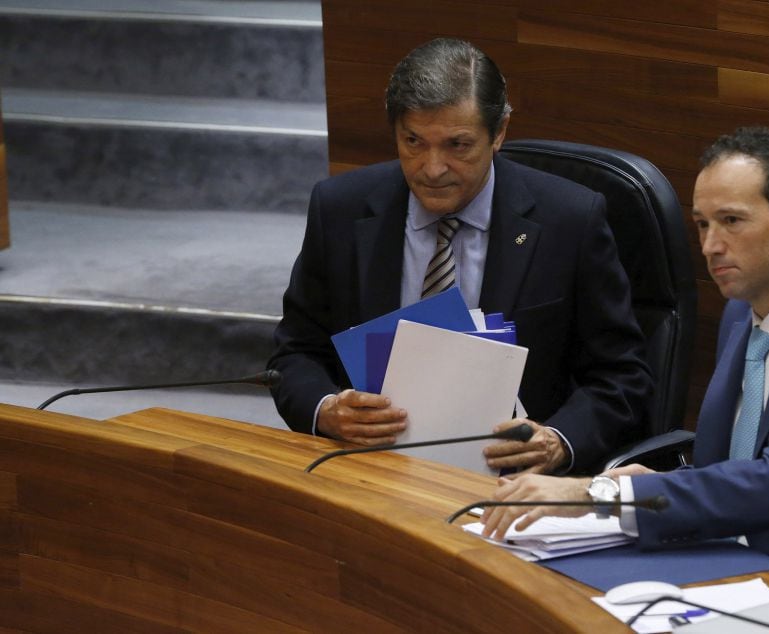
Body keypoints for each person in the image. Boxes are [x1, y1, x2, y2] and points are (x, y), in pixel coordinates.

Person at [481, 126, 769, 610]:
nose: (710, 246)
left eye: (731, 221)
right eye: (703, 224)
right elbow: (733, 462)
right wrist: (648, 483)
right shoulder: (746, 305)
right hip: (737, 552)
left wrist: (599, 492)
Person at [268, 38, 651, 474]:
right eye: (413, 141)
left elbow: (623, 377)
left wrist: (558, 441)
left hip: (512, 485)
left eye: (458, 145)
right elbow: (293, 354)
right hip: (371, 470)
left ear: (499, 132)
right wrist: (325, 410)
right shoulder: (340, 210)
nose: (432, 168)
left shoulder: (571, 221)